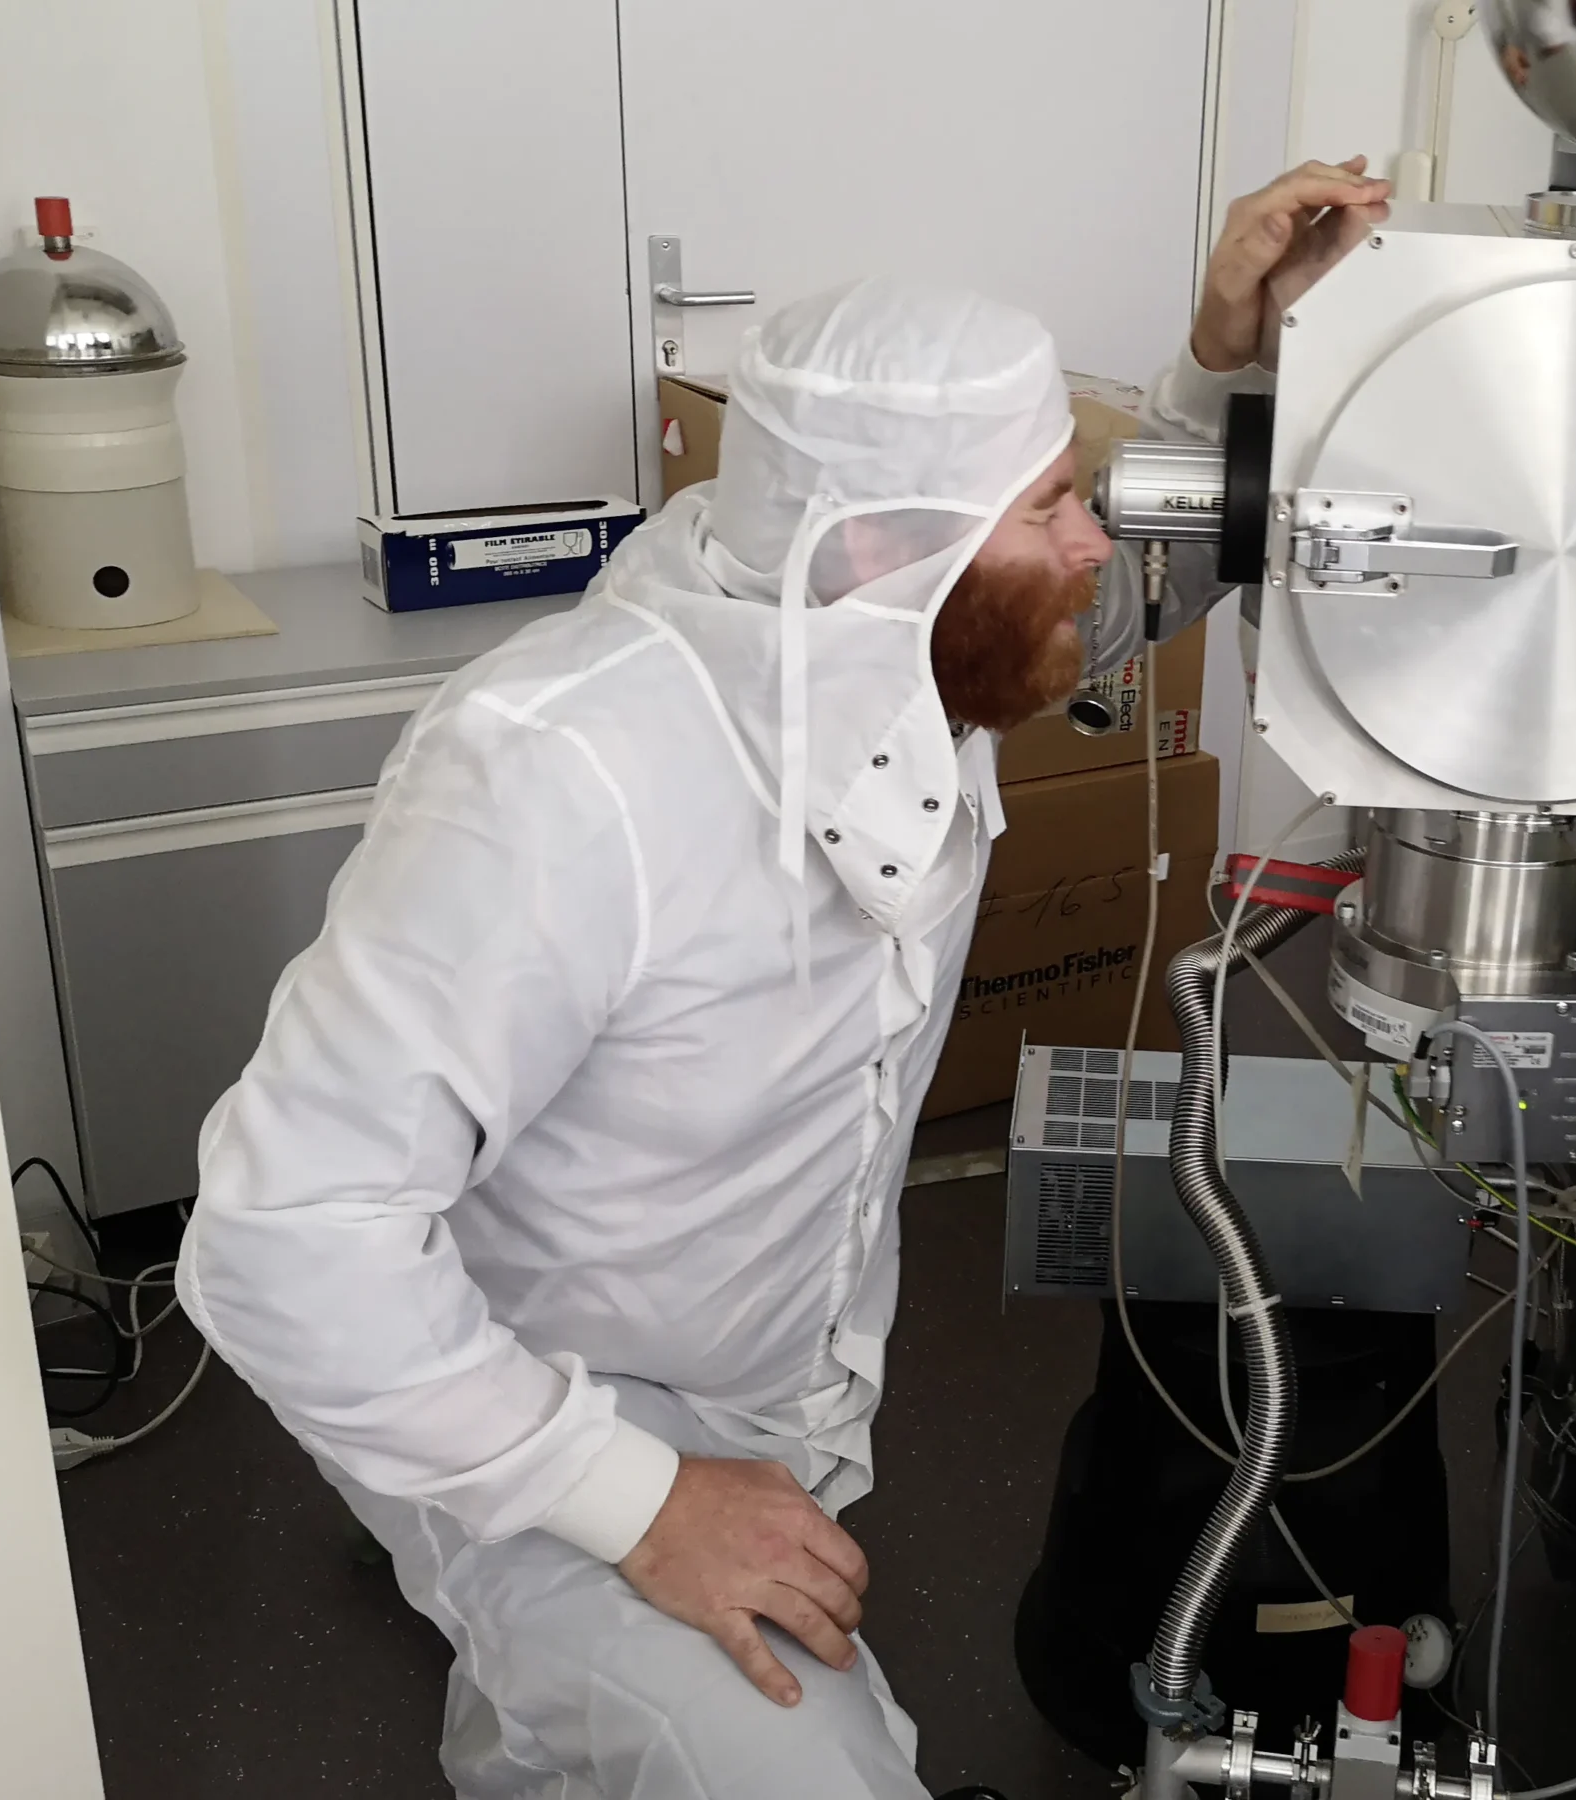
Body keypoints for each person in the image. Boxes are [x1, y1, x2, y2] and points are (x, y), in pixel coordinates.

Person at [176, 157, 1389, 1800]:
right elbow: (278, 1242)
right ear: (892, 550)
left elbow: (1095, 619)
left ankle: (533, 1658)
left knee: (642, 1684)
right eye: (1051, 505)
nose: (1097, 540)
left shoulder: (891, 646)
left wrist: (1219, 360)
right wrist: (639, 1503)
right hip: (549, 1402)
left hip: (763, 1386)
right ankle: (512, 1620)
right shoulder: (561, 775)